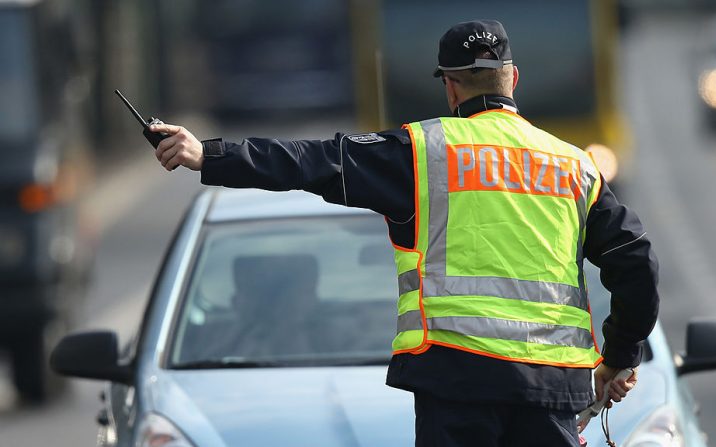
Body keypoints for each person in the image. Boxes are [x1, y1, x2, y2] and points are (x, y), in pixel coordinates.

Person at [151, 19, 659, 447]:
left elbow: (314, 162)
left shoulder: (421, 152)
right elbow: (635, 263)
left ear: (450, 86)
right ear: (513, 79)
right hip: (553, 390)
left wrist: (209, 155)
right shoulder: (574, 166)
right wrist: (617, 358)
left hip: (455, 385)